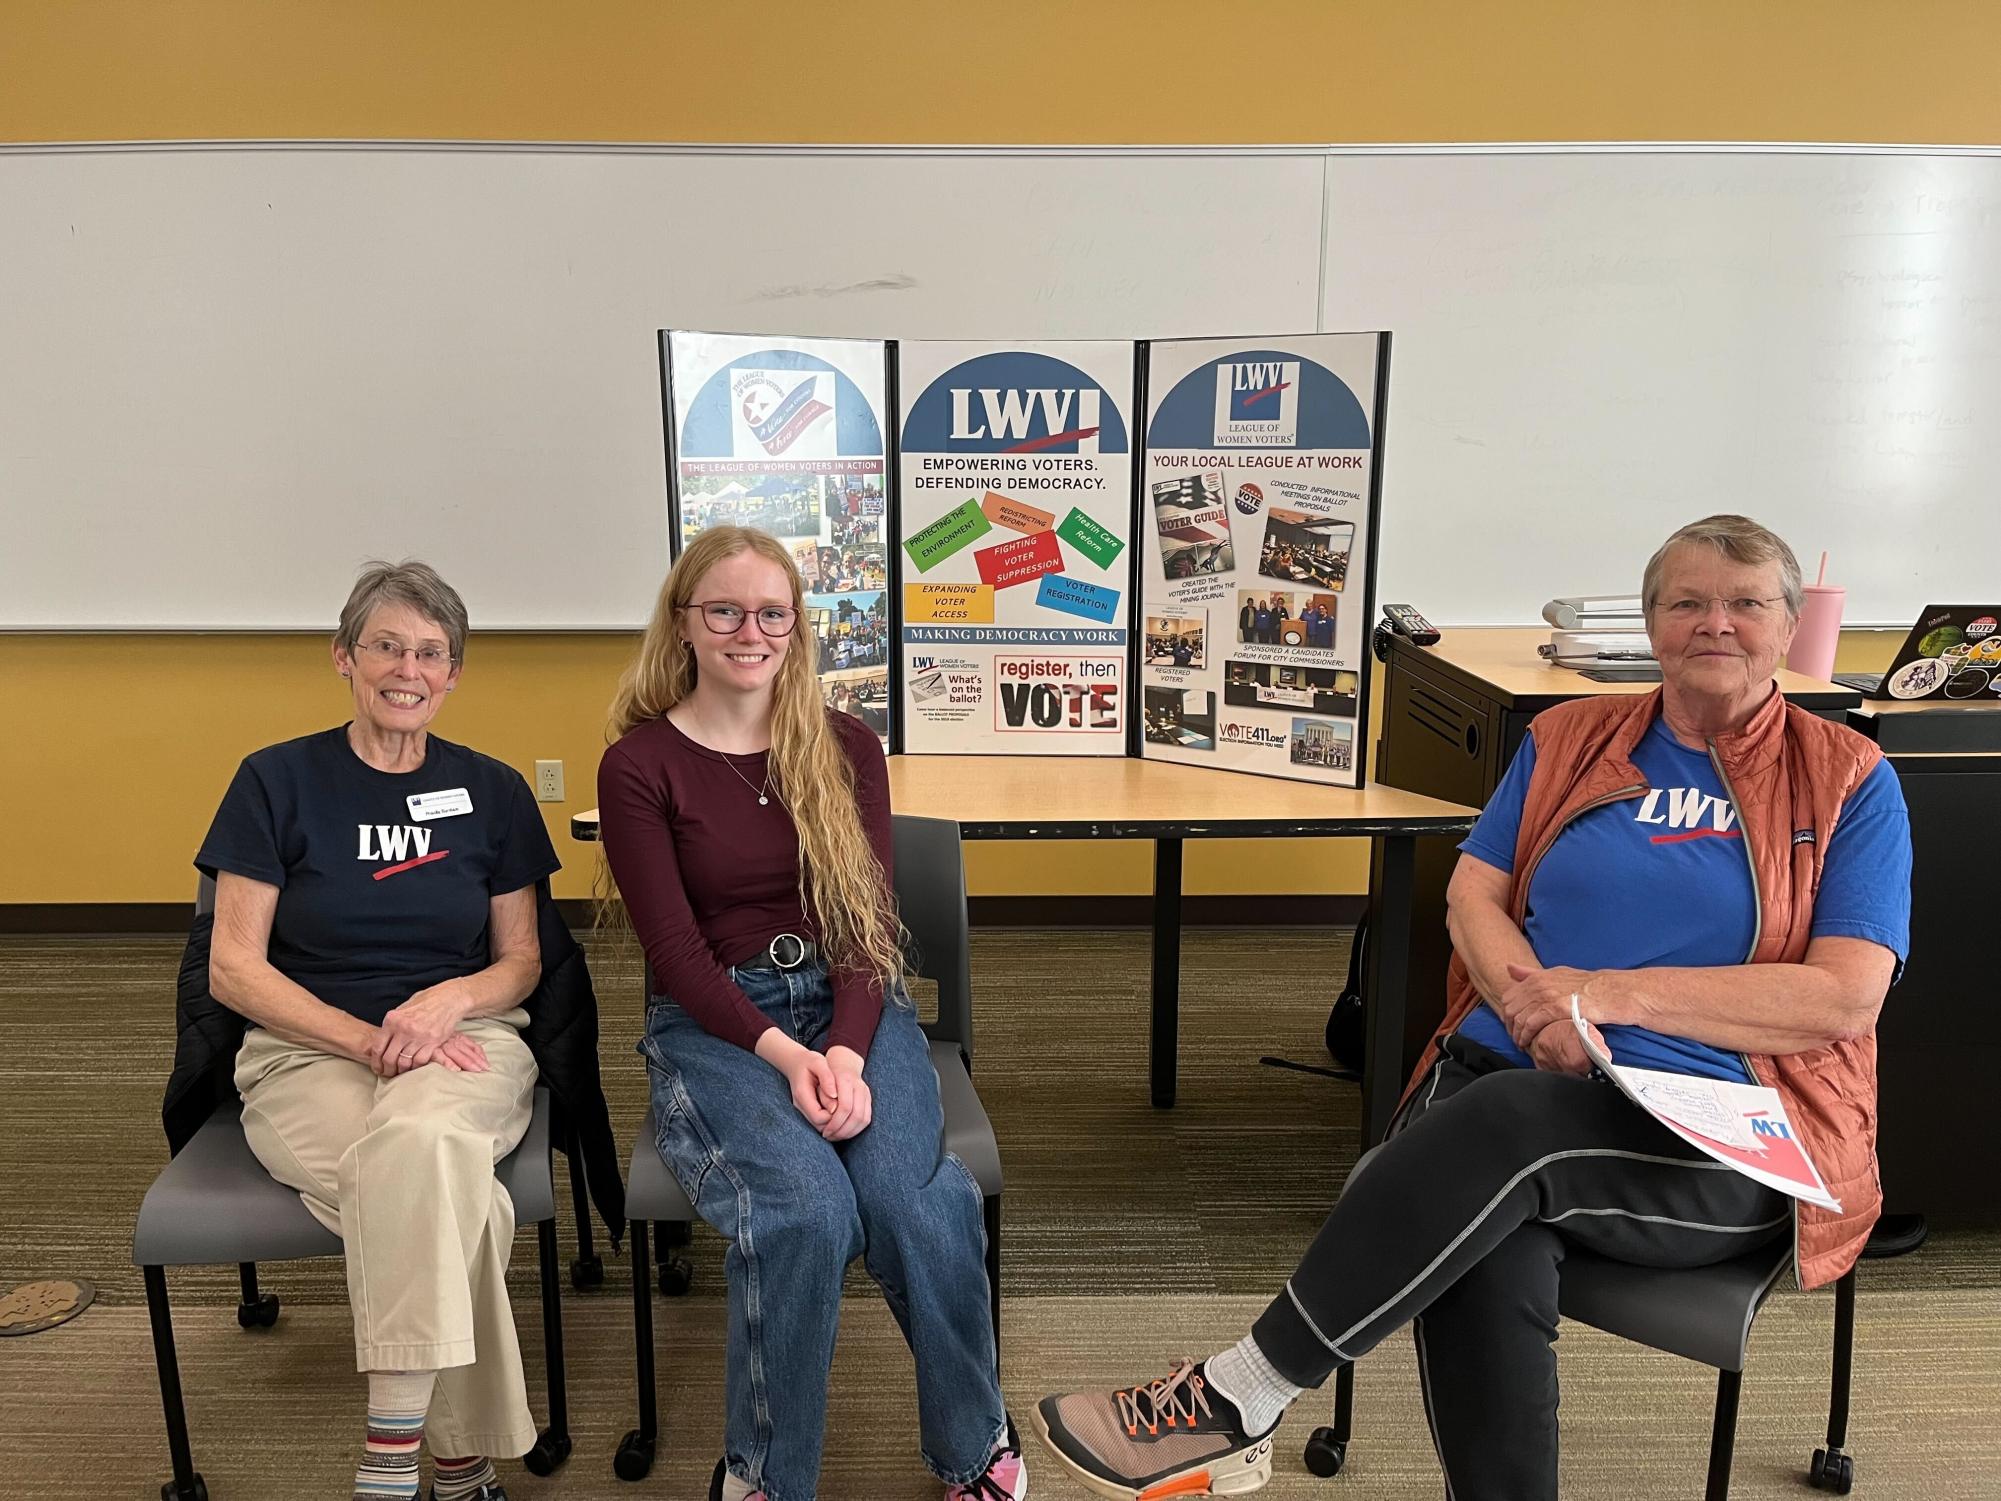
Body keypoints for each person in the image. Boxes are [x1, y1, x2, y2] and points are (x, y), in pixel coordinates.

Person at [1033, 515, 1912, 1501]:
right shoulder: (1569, 738)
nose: (1716, 623)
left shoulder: (1848, 780)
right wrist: (1536, 1009)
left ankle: (1238, 1395)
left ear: (1788, 625)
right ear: (1652, 624)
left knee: (1493, 1141)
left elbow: (1843, 994)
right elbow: (1472, 896)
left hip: (1718, 1132)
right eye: (1687, 601)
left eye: (1746, 603)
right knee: (1489, 1221)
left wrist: (1607, 997)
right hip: (1519, 1085)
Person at [598, 526, 1021, 1501]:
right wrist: (793, 1058)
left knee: (913, 1199)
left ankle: (973, 1443)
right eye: (726, 611)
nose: (751, 631)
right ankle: (765, 1476)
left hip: (854, 1010)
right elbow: (676, 956)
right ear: (684, 624)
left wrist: (846, 1048)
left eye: (772, 613)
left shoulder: (845, 744)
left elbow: (868, 926)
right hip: (721, 1023)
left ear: (797, 626)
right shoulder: (641, 765)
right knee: (805, 1212)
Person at [199, 561, 562, 1501]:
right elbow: (234, 968)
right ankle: (453, 1458)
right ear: (343, 658)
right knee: (447, 1188)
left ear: (454, 675)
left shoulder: (493, 790)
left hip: (464, 1040)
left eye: (432, 653)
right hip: (307, 1046)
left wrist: (446, 1001)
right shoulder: (274, 780)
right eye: (387, 645)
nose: (409, 668)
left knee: (416, 1142)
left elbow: (520, 961)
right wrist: (364, 1041)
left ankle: (389, 1457)